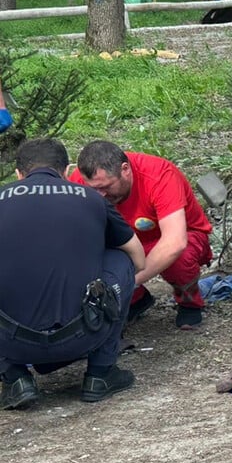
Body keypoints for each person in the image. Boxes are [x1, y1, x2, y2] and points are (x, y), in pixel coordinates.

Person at [0, 139, 145, 409]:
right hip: (82, 335)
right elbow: (138, 257)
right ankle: (100, 374)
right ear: (66, 171)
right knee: (120, 258)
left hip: (10, 342)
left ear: (18, 174)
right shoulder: (92, 199)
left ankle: (15, 378)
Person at [69, 141, 213, 330]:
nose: (100, 195)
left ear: (125, 169)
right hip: (128, 241)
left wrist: (126, 282)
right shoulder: (79, 181)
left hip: (182, 235)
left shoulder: (160, 175)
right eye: (93, 189)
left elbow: (175, 241)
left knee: (180, 258)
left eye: (106, 187)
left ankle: (189, 302)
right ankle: (137, 300)